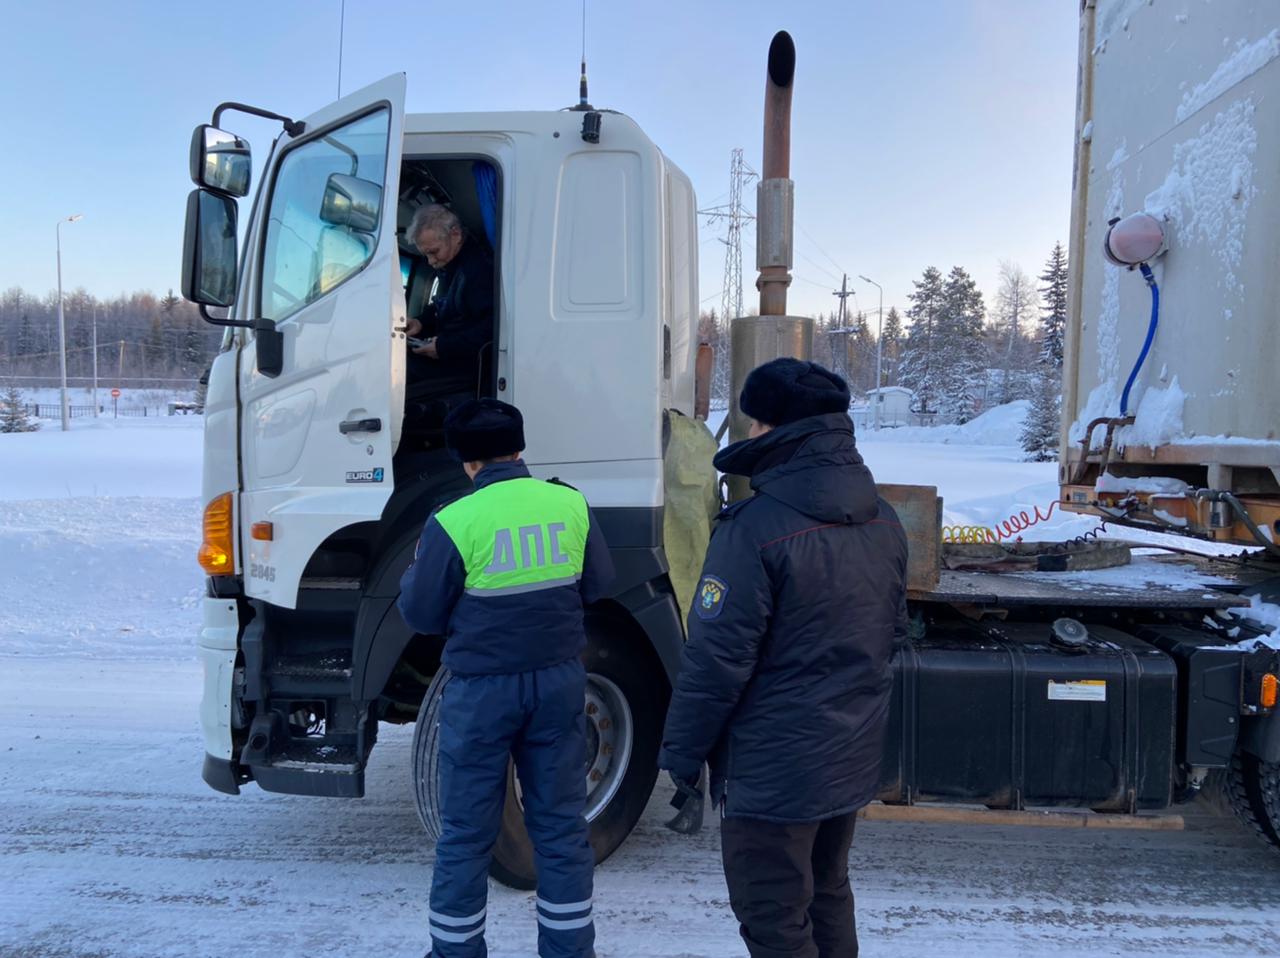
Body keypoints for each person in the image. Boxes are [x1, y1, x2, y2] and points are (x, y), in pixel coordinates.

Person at [659, 358, 909, 958]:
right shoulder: (886, 520)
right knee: (827, 892)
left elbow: (716, 665)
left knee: (773, 918)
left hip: (772, 774)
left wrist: (682, 754)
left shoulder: (753, 529)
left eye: (752, 421)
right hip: (846, 757)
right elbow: (891, 634)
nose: (745, 433)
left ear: (772, 431)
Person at [398, 399, 614, 958]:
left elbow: (421, 615)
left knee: (467, 834)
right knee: (562, 828)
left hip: (481, 691)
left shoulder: (453, 520)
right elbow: (598, 585)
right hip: (559, 683)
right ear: (519, 449)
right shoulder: (569, 504)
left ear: (466, 462)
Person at [404, 204, 494, 408]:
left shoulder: (478, 271)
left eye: (433, 252)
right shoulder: (451, 265)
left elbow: (493, 329)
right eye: (425, 255)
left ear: (455, 234)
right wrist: (420, 322)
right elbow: (442, 305)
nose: (430, 261)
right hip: (452, 355)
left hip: (468, 368)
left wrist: (444, 347)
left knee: (397, 368)